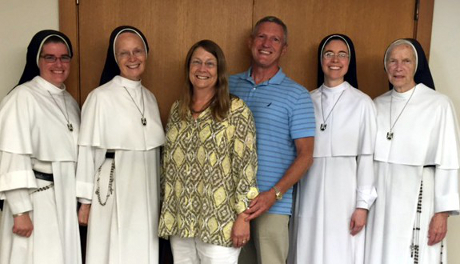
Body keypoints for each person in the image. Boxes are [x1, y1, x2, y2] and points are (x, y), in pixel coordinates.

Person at [158, 39, 258, 264]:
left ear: (219, 71)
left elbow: (246, 168)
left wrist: (244, 217)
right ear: (188, 68)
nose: (202, 69)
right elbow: (167, 165)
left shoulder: (236, 110)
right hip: (181, 219)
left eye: (210, 63)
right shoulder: (177, 109)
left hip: (220, 221)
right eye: (197, 62)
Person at [229, 16, 315, 264]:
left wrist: (273, 194)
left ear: (284, 48)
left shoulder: (297, 95)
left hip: (272, 206)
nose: (266, 43)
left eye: (275, 39)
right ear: (250, 42)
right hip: (231, 205)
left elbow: (306, 155)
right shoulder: (227, 85)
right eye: (261, 36)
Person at [365, 38, 460, 264]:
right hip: (381, 202)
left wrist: (442, 213)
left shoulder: (439, 104)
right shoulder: (376, 104)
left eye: (406, 61)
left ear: (417, 66)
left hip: (419, 197)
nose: (399, 68)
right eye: (393, 61)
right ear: (385, 66)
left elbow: (448, 161)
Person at [76, 26, 165, 264]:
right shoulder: (100, 97)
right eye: (124, 53)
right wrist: (85, 202)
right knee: (113, 250)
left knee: (143, 248)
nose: (132, 58)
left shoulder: (150, 97)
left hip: (146, 191)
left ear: (146, 54)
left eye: (138, 51)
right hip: (114, 185)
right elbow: (87, 150)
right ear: (115, 59)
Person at [289, 34, 377, 264]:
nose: (335, 60)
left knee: (341, 251)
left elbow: (367, 158)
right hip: (310, 189)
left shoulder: (362, 103)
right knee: (307, 247)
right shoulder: (306, 100)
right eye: (329, 54)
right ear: (321, 60)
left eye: (342, 54)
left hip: (346, 193)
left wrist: (362, 206)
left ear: (350, 61)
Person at [0, 30, 81, 264]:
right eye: (50, 57)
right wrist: (20, 211)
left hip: (64, 197)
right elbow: (12, 156)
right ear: (37, 60)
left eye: (64, 57)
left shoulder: (70, 102)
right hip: (35, 200)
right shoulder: (22, 97)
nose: (59, 64)